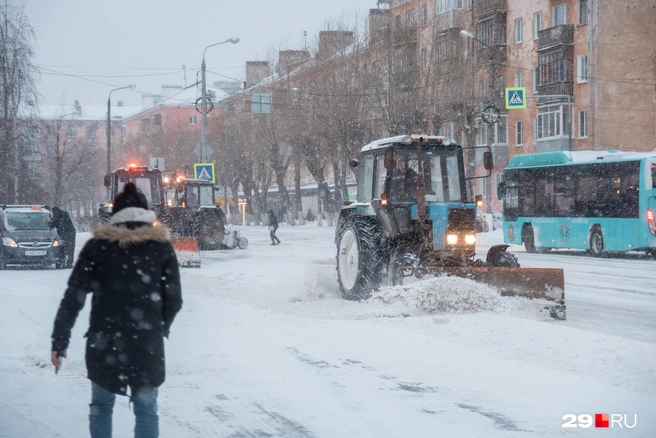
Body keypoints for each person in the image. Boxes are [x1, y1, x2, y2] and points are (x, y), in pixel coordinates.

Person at [50, 182, 182, 438]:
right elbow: (174, 300)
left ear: (115, 214)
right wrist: (158, 327)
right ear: (146, 213)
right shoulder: (161, 248)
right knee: (146, 410)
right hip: (147, 344)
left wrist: (60, 338)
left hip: (104, 342)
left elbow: (73, 297)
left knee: (101, 407)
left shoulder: (97, 247)